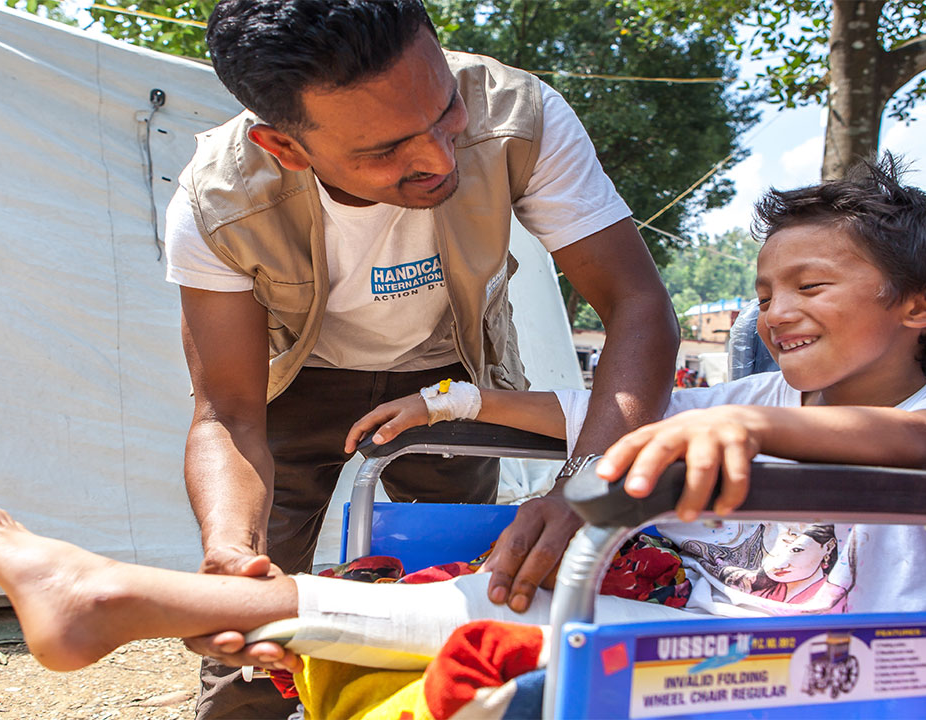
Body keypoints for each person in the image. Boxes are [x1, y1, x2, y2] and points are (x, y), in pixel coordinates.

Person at [0, 156, 926, 688]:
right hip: (688, 628)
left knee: (507, 628)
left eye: (810, 286)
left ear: (922, 305)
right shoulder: (756, 399)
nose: (774, 313)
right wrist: (453, 400)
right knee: (475, 590)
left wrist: (763, 438)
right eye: (764, 293)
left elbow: (917, 451)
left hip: (852, 662)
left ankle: (141, 605)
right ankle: (116, 599)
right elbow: (594, 405)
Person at [171, 1, 677, 715]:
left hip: (450, 369)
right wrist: (229, 550)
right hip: (294, 383)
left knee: (459, 588)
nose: (439, 159)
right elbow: (226, 411)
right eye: (383, 151)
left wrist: (584, 487)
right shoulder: (216, 199)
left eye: (445, 111)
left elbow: (637, 305)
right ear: (284, 147)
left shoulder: (519, 114)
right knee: (254, 618)